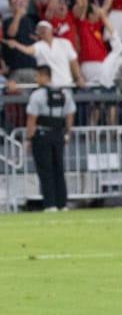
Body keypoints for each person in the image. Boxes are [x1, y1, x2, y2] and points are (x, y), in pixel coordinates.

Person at [25, 65, 75, 212]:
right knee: (59, 168)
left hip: (42, 134)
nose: (36, 79)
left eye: (37, 76)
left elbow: (32, 119)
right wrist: (67, 133)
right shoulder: (64, 93)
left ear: (43, 76)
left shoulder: (37, 95)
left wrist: (29, 138)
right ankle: (62, 203)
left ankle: (50, 204)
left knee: (45, 170)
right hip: (58, 134)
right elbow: (70, 114)